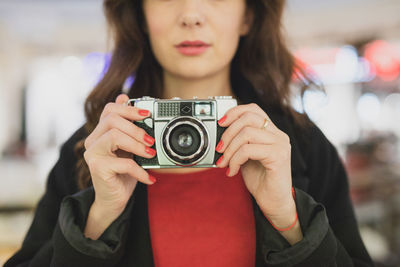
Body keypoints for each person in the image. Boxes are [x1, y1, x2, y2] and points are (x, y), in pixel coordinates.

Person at [5, 0, 373, 266]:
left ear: (247, 15)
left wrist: (290, 221)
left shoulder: (298, 144)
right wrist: (98, 218)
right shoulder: (96, 148)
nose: (192, 15)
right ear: (141, 15)